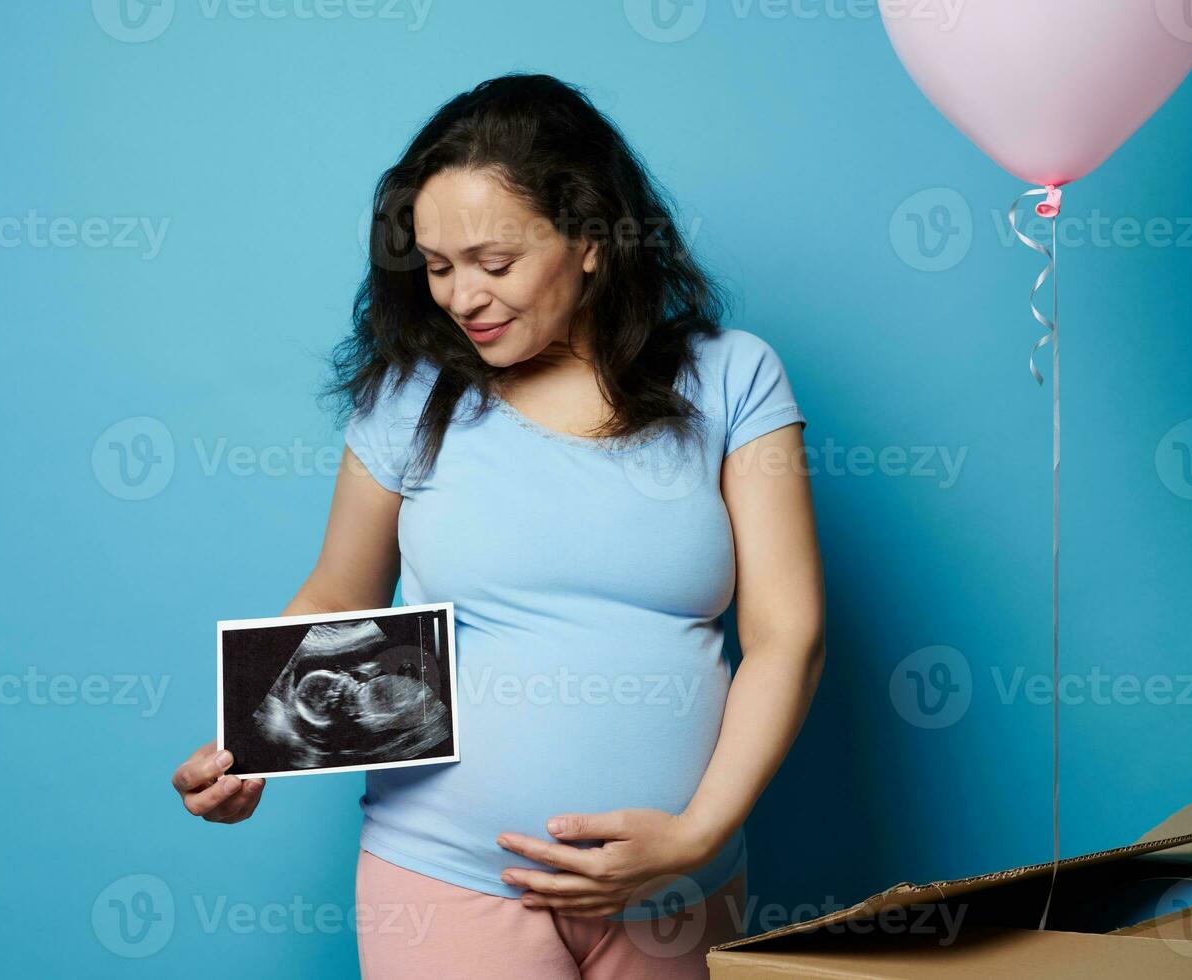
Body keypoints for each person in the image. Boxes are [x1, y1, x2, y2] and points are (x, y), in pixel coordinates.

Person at [171, 72, 826, 979]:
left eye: (494, 262)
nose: (460, 298)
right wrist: (255, 745)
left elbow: (788, 634)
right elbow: (339, 593)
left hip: (676, 886)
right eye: (436, 268)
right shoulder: (410, 397)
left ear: (591, 240)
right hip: (442, 874)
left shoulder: (731, 379)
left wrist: (694, 835)